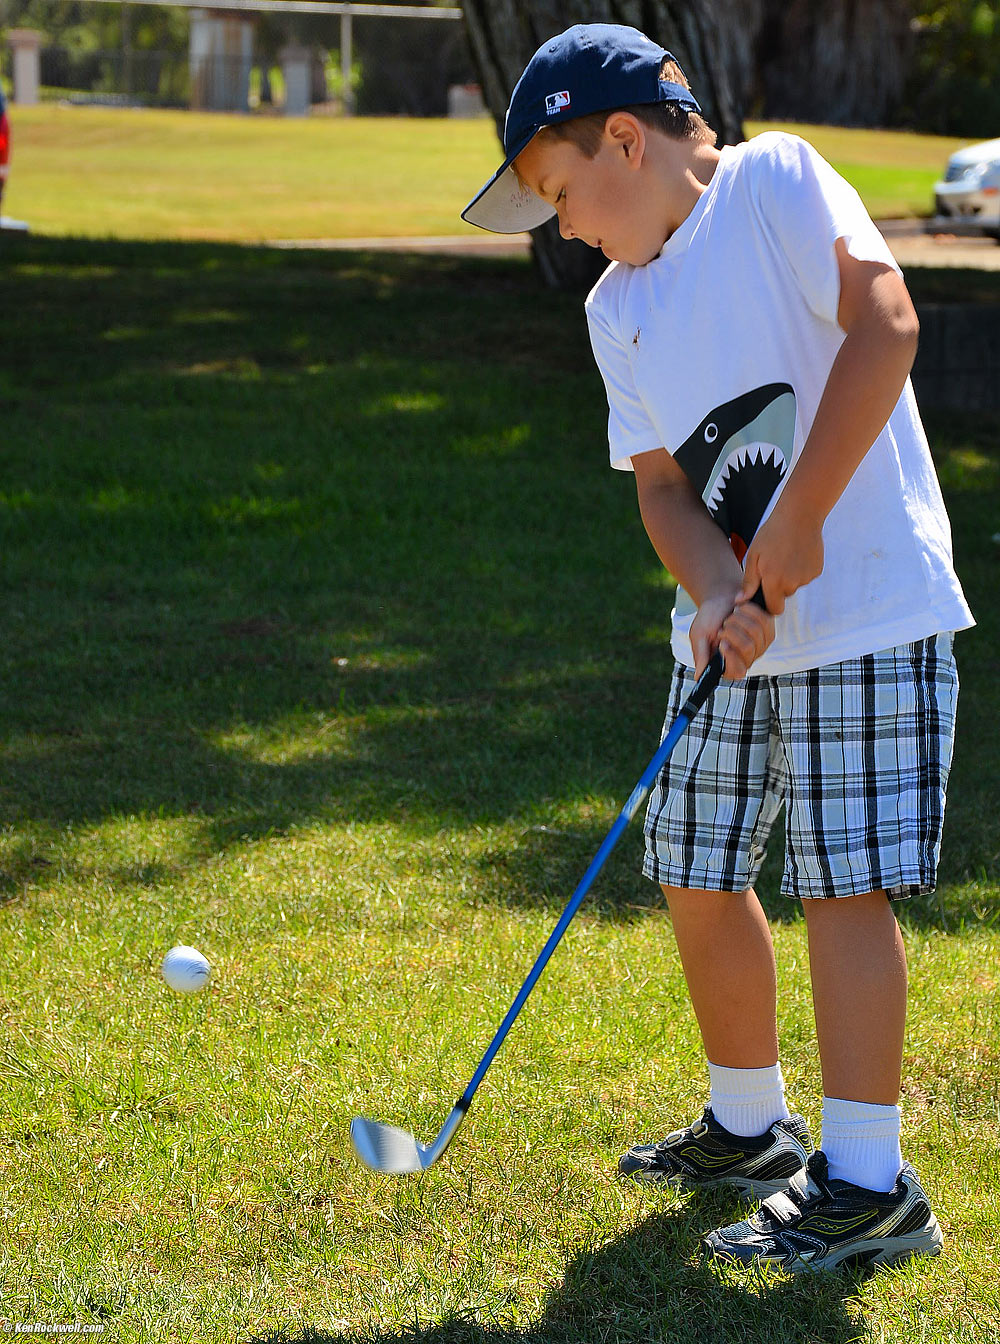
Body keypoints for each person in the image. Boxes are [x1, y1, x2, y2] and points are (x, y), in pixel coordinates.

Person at [462, 23, 974, 1273]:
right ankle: (750, 1127)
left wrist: (794, 523)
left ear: (626, 139)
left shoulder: (774, 183)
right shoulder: (615, 305)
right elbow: (660, 490)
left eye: (564, 194)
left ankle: (867, 1181)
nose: (567, 226)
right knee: (694, 864)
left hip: (861, 604)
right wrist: (709, 595)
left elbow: (887, 325)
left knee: (839, 885)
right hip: (730, 636)